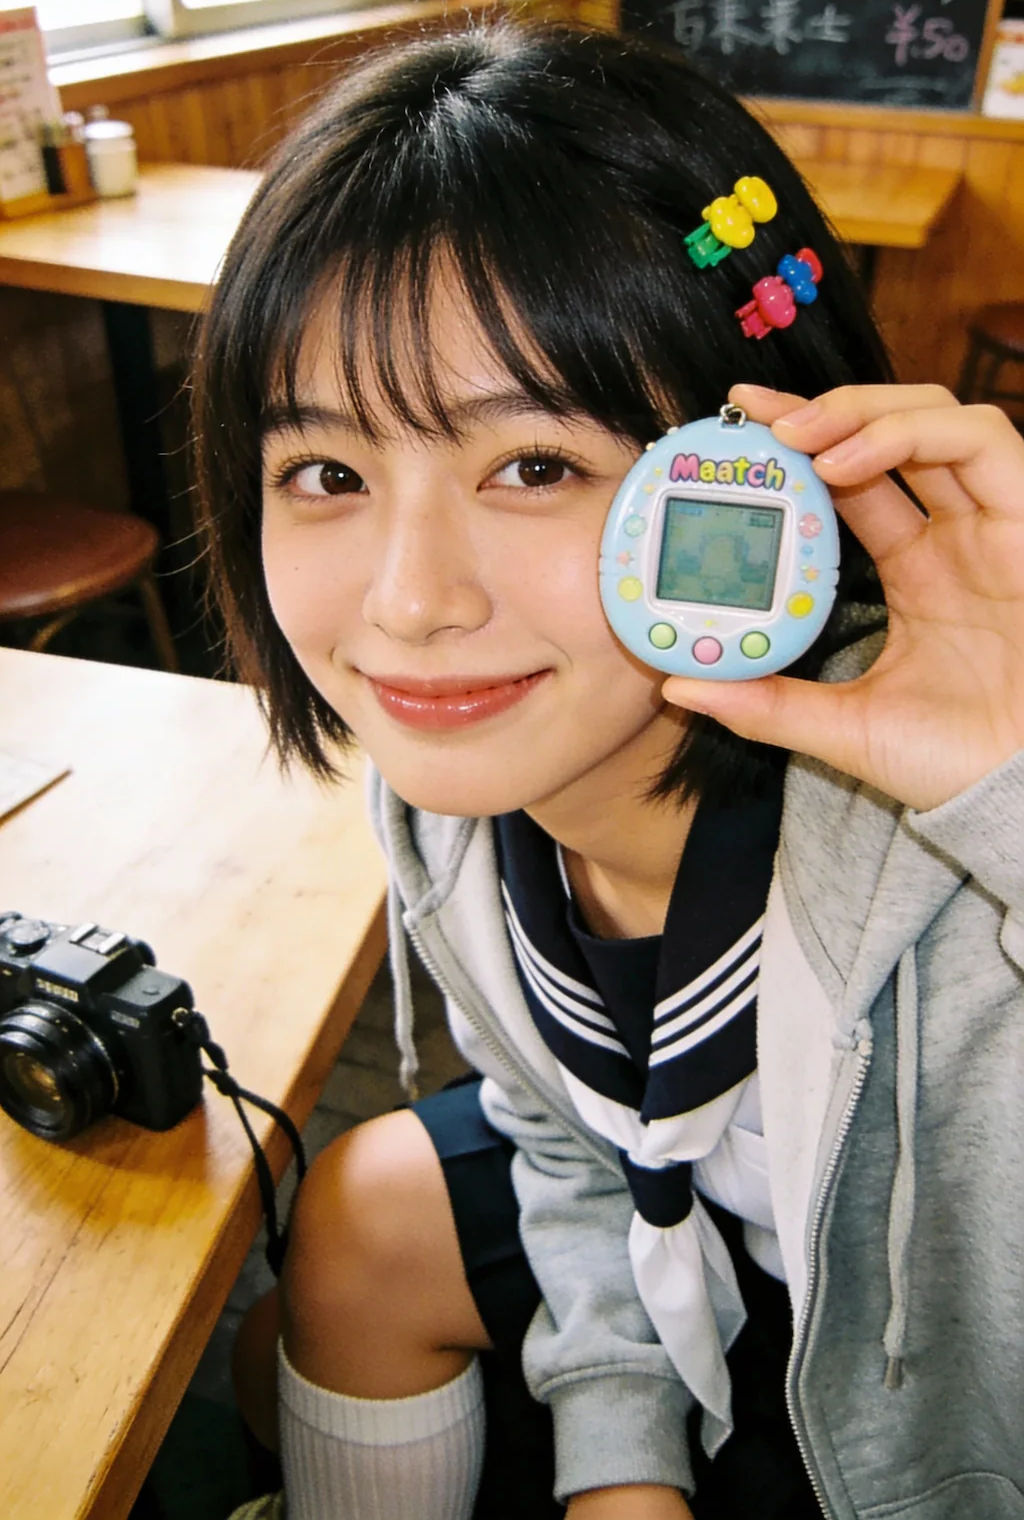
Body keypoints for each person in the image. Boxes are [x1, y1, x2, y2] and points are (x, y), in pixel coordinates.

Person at [191, 19, 1024, 1520]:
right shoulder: (459, 782)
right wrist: (619, 1469)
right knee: (328, 1263)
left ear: (760, 483)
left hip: (932, 1416)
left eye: (535, 466)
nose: (409, 604)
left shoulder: (953, 864)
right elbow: (579, 1149)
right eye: (327, 473)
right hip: (703, 1261)